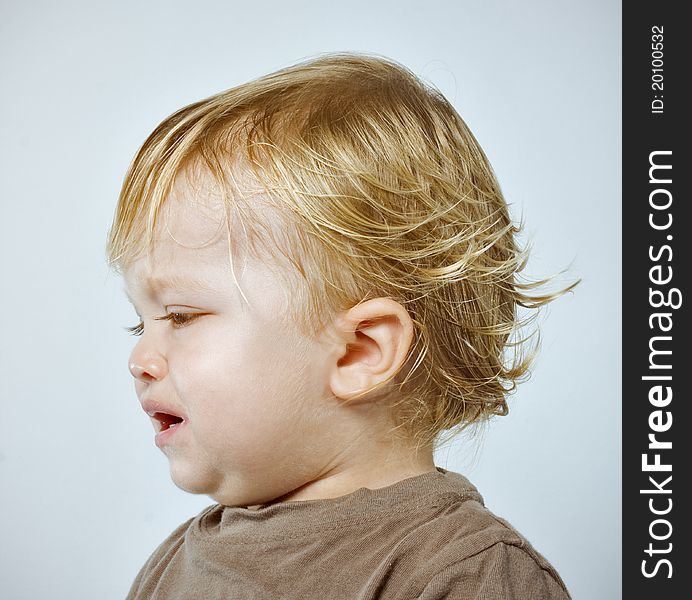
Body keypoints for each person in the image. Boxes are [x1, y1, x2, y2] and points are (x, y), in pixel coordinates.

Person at [106, 52, 576, 599]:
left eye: (181, 317)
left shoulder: (463, 575)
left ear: (358, 351)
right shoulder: (173, 565)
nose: (141, 360)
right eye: (140, 326)